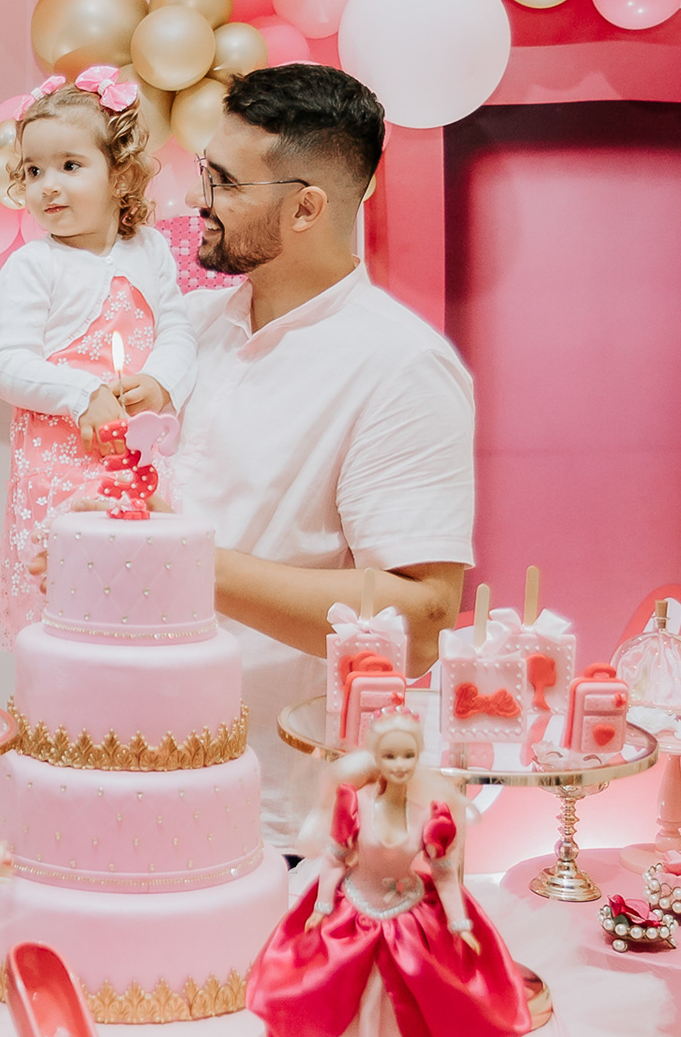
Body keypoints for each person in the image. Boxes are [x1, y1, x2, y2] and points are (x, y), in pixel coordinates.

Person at [177, 64, 474, 853]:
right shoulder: (185, 328)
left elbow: (421, 619)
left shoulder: (398, 366)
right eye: (206, 171)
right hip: (134, 762)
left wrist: (183, 562)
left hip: (274, 810)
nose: (198, 198)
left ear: (307, 206)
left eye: (225, 182)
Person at [0, 66, 197, 647]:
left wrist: (161, 381)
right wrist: (83, 394)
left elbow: (178, 332)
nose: (47, 186)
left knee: (144, 603)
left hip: (140, 461)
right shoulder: (33, 266)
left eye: (70, 166)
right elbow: (7, 364)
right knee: (67, 609)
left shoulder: (149, 248)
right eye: (33, 171)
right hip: (58, 470)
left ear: (119, 175)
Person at [245, 709, 530, 1037]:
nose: (399, 764)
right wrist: (321, 906)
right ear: (376, 756)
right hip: (354, 909)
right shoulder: (355, 803)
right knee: (340, 981)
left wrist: (459, 924)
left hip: (409, 914)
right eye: (390, 756)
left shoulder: (430, 815)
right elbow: (336, 859)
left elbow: (444, 874)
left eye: (408, 755)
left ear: (418, 756)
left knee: (417, 984)